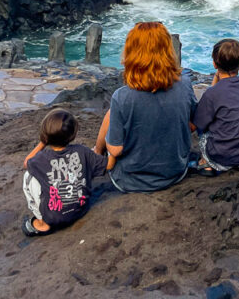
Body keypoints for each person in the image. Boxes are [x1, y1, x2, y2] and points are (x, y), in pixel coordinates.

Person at [94, 21, 197, 192]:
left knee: (113, 115)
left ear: (132, 53)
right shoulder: (185, 84)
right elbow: (192, 124)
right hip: (175, 173)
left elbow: (116, 149)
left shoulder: (122, 97)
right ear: (167, 51)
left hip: (130, 181)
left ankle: (96, 151)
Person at [21, 108, 108, 236]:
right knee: (85, 164)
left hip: (53, 217)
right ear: (73, 134)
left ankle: (42, 223)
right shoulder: (82, 151)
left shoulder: (41, 159)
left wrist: (42, 143)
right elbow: (105, 165)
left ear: (45, 136)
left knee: (28, 176)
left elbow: (26, 162)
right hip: (80, 209)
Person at [190, 38, 239, 176]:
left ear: (214, 64)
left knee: (203, 127)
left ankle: (207, 163)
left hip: (223, 156)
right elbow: (222, 94)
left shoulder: (212, 94)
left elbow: (197, 124)